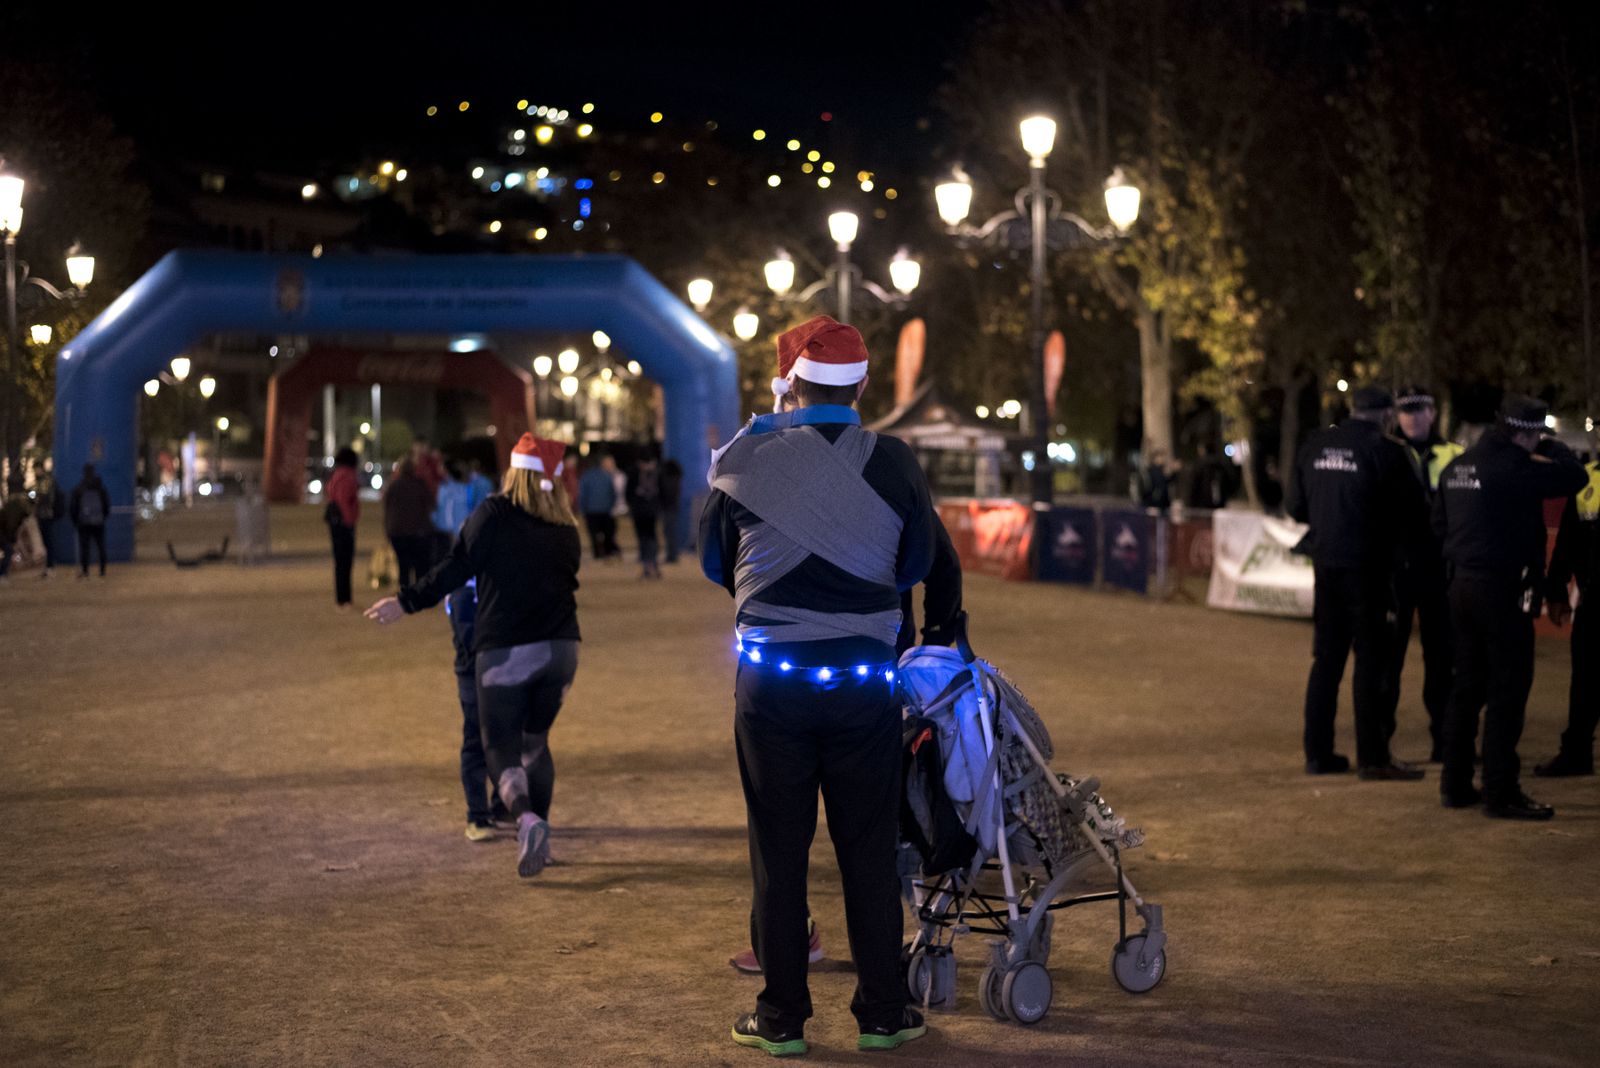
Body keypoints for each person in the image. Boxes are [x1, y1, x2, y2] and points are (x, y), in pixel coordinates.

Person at [701, 315, 936, 1055]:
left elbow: (715, 560)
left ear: (790, 383)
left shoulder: (751, 458)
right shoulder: (896, 462)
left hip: (772, 685)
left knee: (779, 849)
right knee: (868, 846)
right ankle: (882, 1012)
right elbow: (914, 563)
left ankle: (780, 1018)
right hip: (864, 683)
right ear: (865, 385)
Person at [366, 433, 582, 878]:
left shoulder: (494, 515)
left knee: (500, 747)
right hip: (561, 650)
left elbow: (457, 566)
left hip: (506, 648)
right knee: (535, 743)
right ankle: (541, 827)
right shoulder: (566, 526)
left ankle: (527, 819)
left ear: (514, 473)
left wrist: (405, 602)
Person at [1433, 394, 1587, 819]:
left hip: (1461, 587)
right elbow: (1574, 476)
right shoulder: (1515, 467)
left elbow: (1439, 524)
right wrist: (1550, 448)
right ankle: (1501, 791)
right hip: (1502, 592)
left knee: (1466, 689)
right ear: (1529, 432)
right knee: (1508, 690)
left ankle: (1455, 783)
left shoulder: (1457, 466)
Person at [1287, 386, 1427, 780]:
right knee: (1372, 662)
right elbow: (1414, 515)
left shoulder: (1315, 445)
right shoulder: (1388, 451)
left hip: (1326, 565)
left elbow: (1294, 506)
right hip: (1370, 569)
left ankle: (1318, 754)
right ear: (1385, 415)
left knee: (1326, 660)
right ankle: (1373, 757)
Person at [1386, 386, 1465, 762]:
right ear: (1397, 414)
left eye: (1420, 410)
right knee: (1389, 660)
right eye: (1406, 411)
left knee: (1442, 660)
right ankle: (1380, 745)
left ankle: (1446, 741)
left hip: (1439, 572)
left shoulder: (1453, 455)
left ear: (1433, 412)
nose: (1413, 417)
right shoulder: (1385, 452)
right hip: (1396, 574)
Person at [433, 456, 502, 839]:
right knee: (477, 739)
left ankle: (499, 804)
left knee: (502, 738)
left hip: (497, 666)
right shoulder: (464, 587)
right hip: (475, 669)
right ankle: (477, 813)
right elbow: (466, 633)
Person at [1535, 438, 1600, 778]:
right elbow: (1568, 540)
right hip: (1592, 600)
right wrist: (1557, 591)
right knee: (1585, 679)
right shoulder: (1586, 478)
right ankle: (1576, 754)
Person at [383, 456, 436, 588]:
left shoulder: (393, 485)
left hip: (397, 530)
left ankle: (404, 590)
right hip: (418, 530)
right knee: (420, 564)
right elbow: (431, 503)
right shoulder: (419, 484)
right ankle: (419, 592)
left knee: (403, 564)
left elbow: (387, 506)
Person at [325, 447, 361, 609]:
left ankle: (343, 597)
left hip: (335, 522)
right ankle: (344, 597)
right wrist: (350, 521)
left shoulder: (337, 475)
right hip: (343, 523)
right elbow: (344, 500)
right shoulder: (348, 476)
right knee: (345, 561)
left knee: (340, 560)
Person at [69, 463, 111, 580]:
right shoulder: (100, 488)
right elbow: (106, 505)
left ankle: (85, 570)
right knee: (101, 546)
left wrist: (76, 521)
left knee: (85, 548)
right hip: (99, 522)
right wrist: (102, 517)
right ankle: (102, 570)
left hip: (84, 523)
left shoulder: (79, 488)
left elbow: (74, 506)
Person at [577, 454, 620, 560]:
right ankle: (607, 552)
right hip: (605, 510)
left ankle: (597, 554)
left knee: (594, 534)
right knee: (608, 533)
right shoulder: (607, 476)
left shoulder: (586, 476)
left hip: (591, 511)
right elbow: (612, 493)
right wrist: (612, 506)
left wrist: (583, 508)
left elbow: (582, 494)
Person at [627, 454, 662, 579]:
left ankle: (649, 565)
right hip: (647, 511)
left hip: (643, 511)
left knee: (645, 538)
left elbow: (628, 493)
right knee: (649, 537)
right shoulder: (656, 473)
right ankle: (651, 565)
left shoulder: (635, 474)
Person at [33, 473, 64, 578]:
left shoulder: (43, 484)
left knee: (48, 543)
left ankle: (50, 567)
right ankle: (49, 566)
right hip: (48, 517)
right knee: (48, 543)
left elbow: (37, 497)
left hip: (45, 517)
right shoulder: (50, 483)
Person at [0, 475, 30, 584]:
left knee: (9, 550)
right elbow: (10, 526)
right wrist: (11, 540)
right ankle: (2, 574)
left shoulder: (10, 504)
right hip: (3, 534)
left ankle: (2, 574)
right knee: (8, 550)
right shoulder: (15, 507)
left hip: (4, 534)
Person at [660, 458, 684, 563]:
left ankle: (672, 555)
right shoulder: (677, 480)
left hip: (668, 508)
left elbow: (667, 494)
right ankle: (672, 554)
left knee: (669, 532)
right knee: (670, 532)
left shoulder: (668, 481)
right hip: (673, 508)